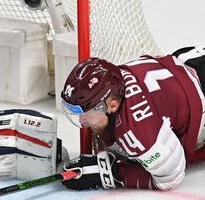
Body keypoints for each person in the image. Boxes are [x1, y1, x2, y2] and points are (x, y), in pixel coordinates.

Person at [60, 50, 205, 191]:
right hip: (191, 61)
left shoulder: (137, 132)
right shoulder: (116, 77)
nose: (82, 120)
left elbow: (171, 177)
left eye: (85, 113)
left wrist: (114, 174)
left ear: (112, 106)